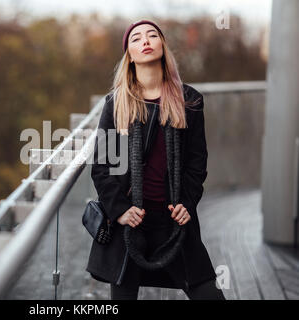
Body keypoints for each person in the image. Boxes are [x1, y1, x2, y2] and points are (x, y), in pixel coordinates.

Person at [85, 19, 226, 300]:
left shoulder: (189, 100)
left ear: (162, 45)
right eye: (136, 38)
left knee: (209, 294)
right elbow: (101, 166)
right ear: (130, 55)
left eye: (152, 35)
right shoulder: (116, 103)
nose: (145, 41)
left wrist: (187, 202)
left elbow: (197, 163)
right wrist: (120, 210)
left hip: (173, 222)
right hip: (130, 223)